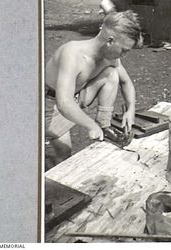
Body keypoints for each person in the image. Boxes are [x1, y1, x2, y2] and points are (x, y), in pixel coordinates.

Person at [45, 10, 142, 170]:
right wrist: (90, 125)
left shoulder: (110, 57)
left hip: (74, 97)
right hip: (48, 104)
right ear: (110, 41)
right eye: (124, 50)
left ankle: (104, 125)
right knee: (63, 155)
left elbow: (127, 83)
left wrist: (130, 109)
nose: (124, 55)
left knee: (112, 74)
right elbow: (63, 102)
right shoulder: (72, 53)